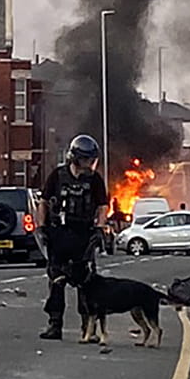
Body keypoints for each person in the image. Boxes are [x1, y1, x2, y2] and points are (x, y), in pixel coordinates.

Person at [38, 135, 108, 341]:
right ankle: (54, 324)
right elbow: (43, 201)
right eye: (87, 160)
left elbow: (103, 205)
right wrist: (41, 227)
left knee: (86, 283)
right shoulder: (57, 176)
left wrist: (99, 228)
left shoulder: (94, 180)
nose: (90, 164)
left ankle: (88, 328)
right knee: (57, 280)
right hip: (59, 234)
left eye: (92, 160)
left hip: (83, 235)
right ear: (75, 158)